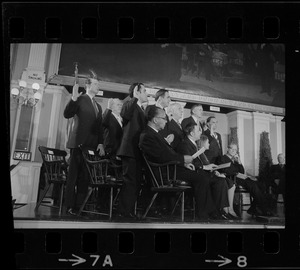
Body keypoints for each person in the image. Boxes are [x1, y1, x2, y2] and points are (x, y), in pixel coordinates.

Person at [139, 106, 221, 221]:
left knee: (202, 176)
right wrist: (182, 159)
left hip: (171, 169)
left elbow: (166, 155)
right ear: (155, 120)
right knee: (201, 177)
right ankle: (203, 214)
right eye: (164, 118)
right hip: (164, 173)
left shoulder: (155, 134)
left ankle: (208, 211)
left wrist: (183, 163)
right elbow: (160, 157)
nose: (166, 121)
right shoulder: (148, 135)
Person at [62, 77, 105, 215]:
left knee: (85, 179)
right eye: (96, 84)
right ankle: (69, 206)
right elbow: (67, 114)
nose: (98, 86)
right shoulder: (80, 99)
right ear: (87, 85)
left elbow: (99, 128)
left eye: (98, 84)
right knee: (72, 177)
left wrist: (100, 143)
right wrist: (73, 98)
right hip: (78, 144)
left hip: (91, 148)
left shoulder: (98, 106)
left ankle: (80, 207)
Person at [176, 123, 236, 220]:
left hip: (198, 171)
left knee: (220, 181)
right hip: (188, 173)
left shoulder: (193, 144)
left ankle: (218, 211)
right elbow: (188, 163)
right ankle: (211, 212)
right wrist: (205, 167)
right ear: (191, 133)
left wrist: (208, 168)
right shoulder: (184, 144)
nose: (201, 132)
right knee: (215, 180)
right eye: (198, 130)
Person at [116, 83, 148, 219]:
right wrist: (134, 97)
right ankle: (124, 212)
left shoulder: (141, 108)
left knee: (135, 182)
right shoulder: (130, 103)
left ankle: (129, 211)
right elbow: (125, 115)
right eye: (144, 91)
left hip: (137, 151)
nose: (147, 93)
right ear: (137, 92)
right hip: (129, 150)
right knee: (129, 182)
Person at [219, 143, 272, 216]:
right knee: (253, 185)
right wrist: (236, 173)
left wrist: (239, 162)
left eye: (235, 150)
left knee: (261, 185)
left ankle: (253, 208)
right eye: (232, 149)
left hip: (241, 177)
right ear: (227, 149)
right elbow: (224, 170)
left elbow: (242, 171)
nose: (234, 151)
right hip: (232, 178)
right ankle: (264, 209)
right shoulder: (222, 158)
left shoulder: (235, 159)